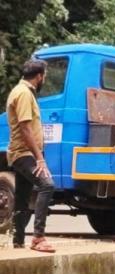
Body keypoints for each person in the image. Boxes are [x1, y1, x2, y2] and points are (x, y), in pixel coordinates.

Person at [6, 59, 55, 252]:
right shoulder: (24, 94)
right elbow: (25, 128)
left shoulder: (21, 92)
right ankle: (38, 237)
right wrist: (40, 158)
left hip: (22, 152)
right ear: (39, 76)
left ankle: (18, 241)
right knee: (47, 185)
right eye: (45, 76)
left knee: (22, 197)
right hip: (24, 153)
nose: (44, 79)